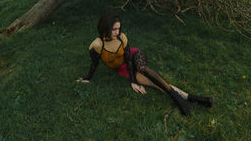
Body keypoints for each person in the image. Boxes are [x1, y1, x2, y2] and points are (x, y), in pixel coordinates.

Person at [76, 12, 213, 116]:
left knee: (143, 68)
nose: (117, 32)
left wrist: (133, 80)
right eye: (114, 29)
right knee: (152, 82)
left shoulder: (122, 37)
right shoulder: (97, 45)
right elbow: (94, 64)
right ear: (105, 27)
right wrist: (87, 78)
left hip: (134, 56)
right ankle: (195, 98)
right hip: (121, 67)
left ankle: (177, 99)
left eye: (119, 28)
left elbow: (129, 58)